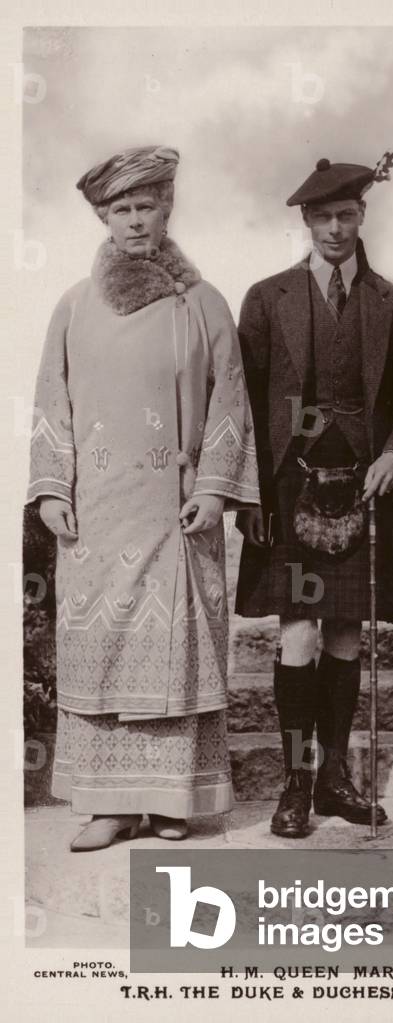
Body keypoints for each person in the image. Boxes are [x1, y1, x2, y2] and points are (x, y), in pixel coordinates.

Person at [27, 145, 260, 851]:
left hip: (177, 510)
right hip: (96, 514)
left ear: (167, 210)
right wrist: (49, 491)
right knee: (102, 650)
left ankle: (170, 800)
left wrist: (218, 488)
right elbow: (51, 402)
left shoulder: (204, 304)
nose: (135, 220)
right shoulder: (74, 305)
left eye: (146, 207)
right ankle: (108, 805)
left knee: (175, 650)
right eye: (121, 209)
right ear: (104, 216)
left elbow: (232, 399)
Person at [235, 154, 393, 837]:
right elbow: (244, 403)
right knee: (296, 634)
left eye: (347, 215)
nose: (336, 229)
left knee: (346, 630)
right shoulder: (266, 298)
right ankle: (296, 778)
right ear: (306, 221)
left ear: (362, 216)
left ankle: (337, 777)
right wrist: (248, 493)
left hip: (366, 491)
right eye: (323, 217)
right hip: (289, 487)